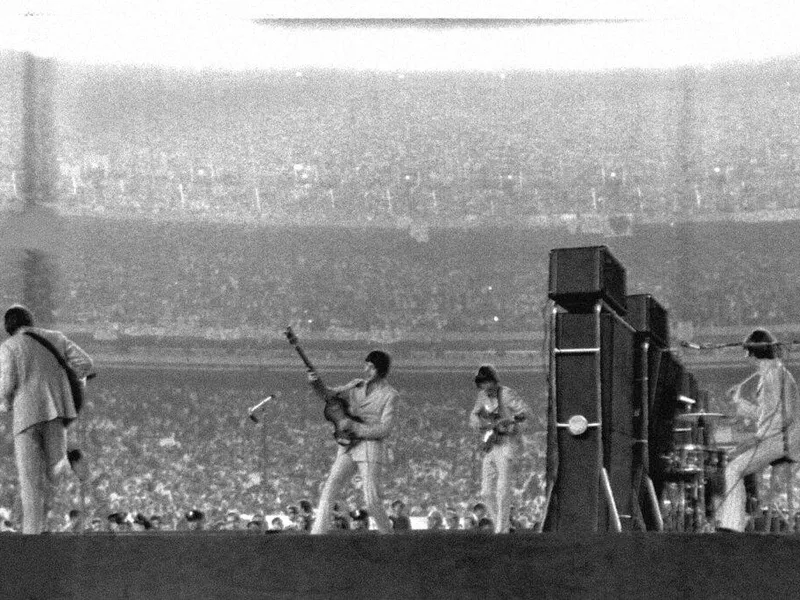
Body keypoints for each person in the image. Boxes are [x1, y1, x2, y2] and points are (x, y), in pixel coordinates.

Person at [0, 305, 94, 534]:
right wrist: (68, 383)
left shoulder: (9, 347)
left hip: (26, 418)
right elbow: (85, 364)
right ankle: (68, 457)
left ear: (7, 328)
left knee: (31, 483)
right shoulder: (56, 338)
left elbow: (6, 384)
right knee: (54, 472)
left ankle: (32, 537)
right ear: (30, 320)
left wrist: (5, 404)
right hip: (57, 412)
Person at [717, 329, 800, 532]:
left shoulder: (774, 375)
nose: (748, 360)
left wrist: (757, 438)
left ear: (755, 353)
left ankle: (732, 526)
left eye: (748, 354)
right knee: (734, 461)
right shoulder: (772, 374)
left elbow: (785, 415)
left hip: (782, 441)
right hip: (776, 438)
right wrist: (741, 405)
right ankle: (736, 518)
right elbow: (767, 414)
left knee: (733, 469)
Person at [309, 350, 398, 534]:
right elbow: (330, 396)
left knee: (371, 498)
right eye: (366, 365)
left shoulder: (390, 395)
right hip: (348, 444)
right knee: (330, 488)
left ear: (381, 370)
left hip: (369, 445)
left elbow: (385, 429)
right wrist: (316, 383)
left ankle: (388, 535)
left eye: (371, 367)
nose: (366, 369)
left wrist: (356, 428)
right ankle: (317, 534)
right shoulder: (356, 386)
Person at [469, 364, 528, 533]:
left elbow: (524, 413)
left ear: (494, 382)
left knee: (503, 489)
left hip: (507, 444)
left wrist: (512, 425)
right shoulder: (481, 396)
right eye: (481, 384)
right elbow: (474, 415)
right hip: (491, 443)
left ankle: (501, 530)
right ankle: (502, 525)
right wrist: (481, 424)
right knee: (486, 492)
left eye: (486, 383)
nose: (484, 388)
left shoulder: (507, 394)